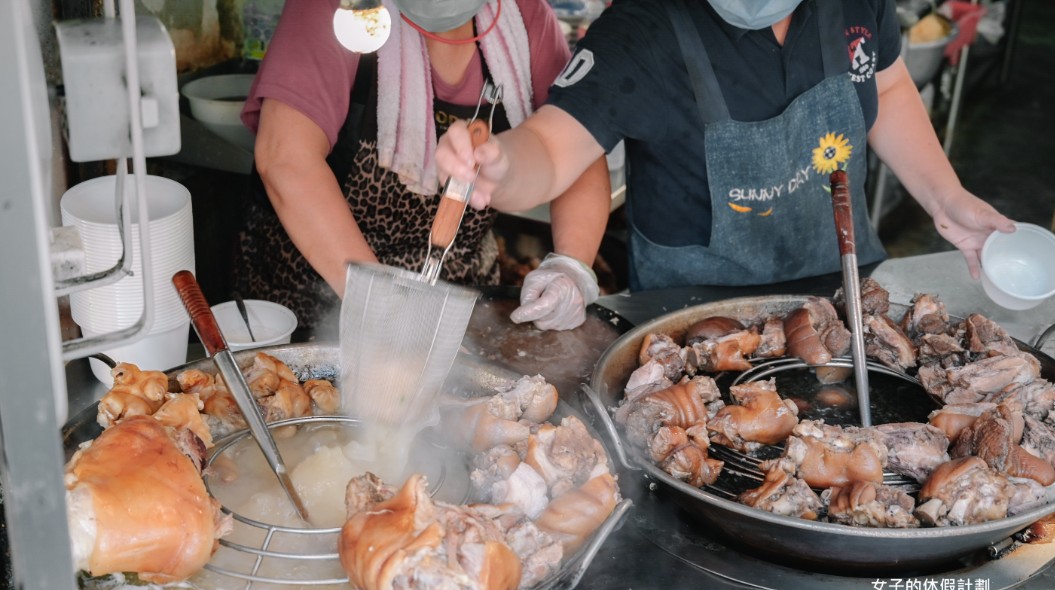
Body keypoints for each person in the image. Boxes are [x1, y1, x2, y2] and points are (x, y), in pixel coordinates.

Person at [435, 0, 1015, 296]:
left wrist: (945, 197)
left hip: (848, 301)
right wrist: (502, 165)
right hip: (693, 324)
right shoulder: (644, 27)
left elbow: (885, 85)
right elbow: (554, 146)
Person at [233, 0, 611, 334]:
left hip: (461, 307)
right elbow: (285, 157)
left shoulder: (524, 15)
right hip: (313, 300)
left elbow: (579, 148)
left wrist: (572, 267)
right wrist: (383, 305)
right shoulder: (345, 8)